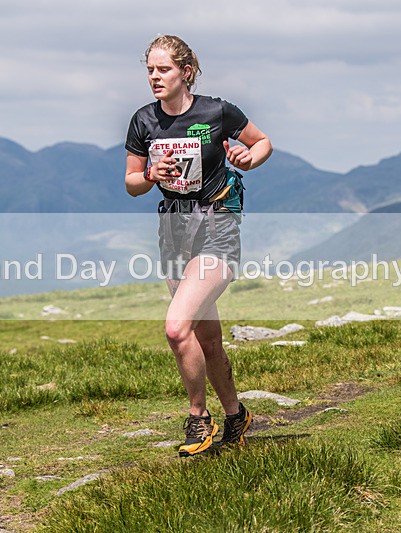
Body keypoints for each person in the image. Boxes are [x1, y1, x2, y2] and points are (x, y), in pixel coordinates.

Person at [125, 35, 272, 457]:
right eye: (150, 70)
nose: (154, 77)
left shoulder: (217, 111)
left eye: (163, 69)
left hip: (217, 226)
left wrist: (249, 158)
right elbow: (132, 184)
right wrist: (152, 174)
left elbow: (263, 142)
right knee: (207, 340)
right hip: (173, 231)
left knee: (176, 328)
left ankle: (198, 419)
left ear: (185, 71)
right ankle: (236, 415)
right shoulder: (143, 121)